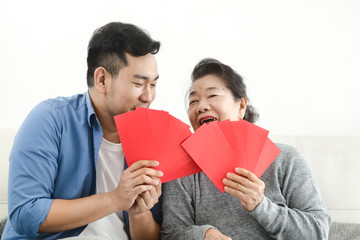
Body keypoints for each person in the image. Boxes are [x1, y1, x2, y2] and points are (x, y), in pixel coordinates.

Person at [3, 22, 163, 240]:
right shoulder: (50, 118)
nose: (148, 97)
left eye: (153, 85)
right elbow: (25, 213)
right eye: (138, 84)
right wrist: (115, 199)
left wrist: (140, 212)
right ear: (102, 79)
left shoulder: (153, 140)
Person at [161, 58, 331, 240]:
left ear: (242, 105)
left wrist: (261, 205)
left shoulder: (286, 159)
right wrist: (203, 234)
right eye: (193, 101)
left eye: (212, 96)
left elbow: (318, 233)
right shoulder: (183, 173)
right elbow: (171, 234)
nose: (201, 107)